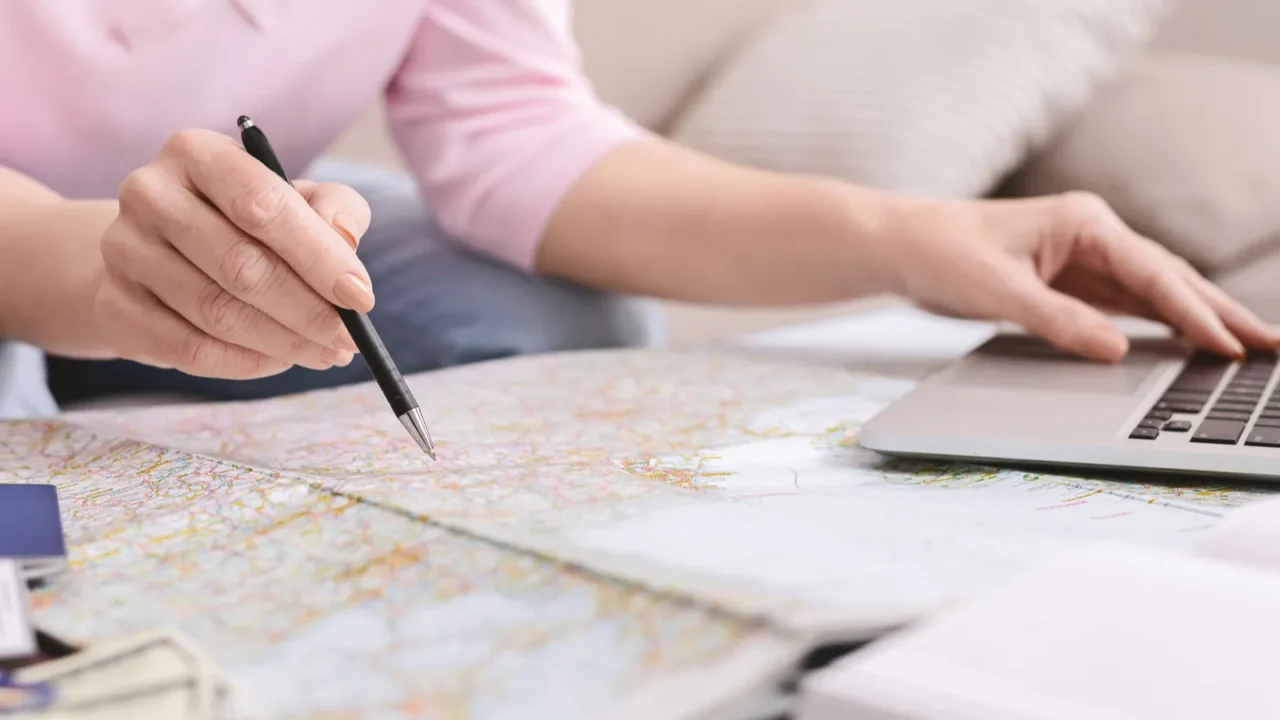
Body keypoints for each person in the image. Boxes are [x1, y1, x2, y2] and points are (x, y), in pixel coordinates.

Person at [2, 2, 1275, 416]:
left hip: (194, 232)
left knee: (553, 318)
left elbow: (516, 134)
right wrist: (91, 268)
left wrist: (909, 239)